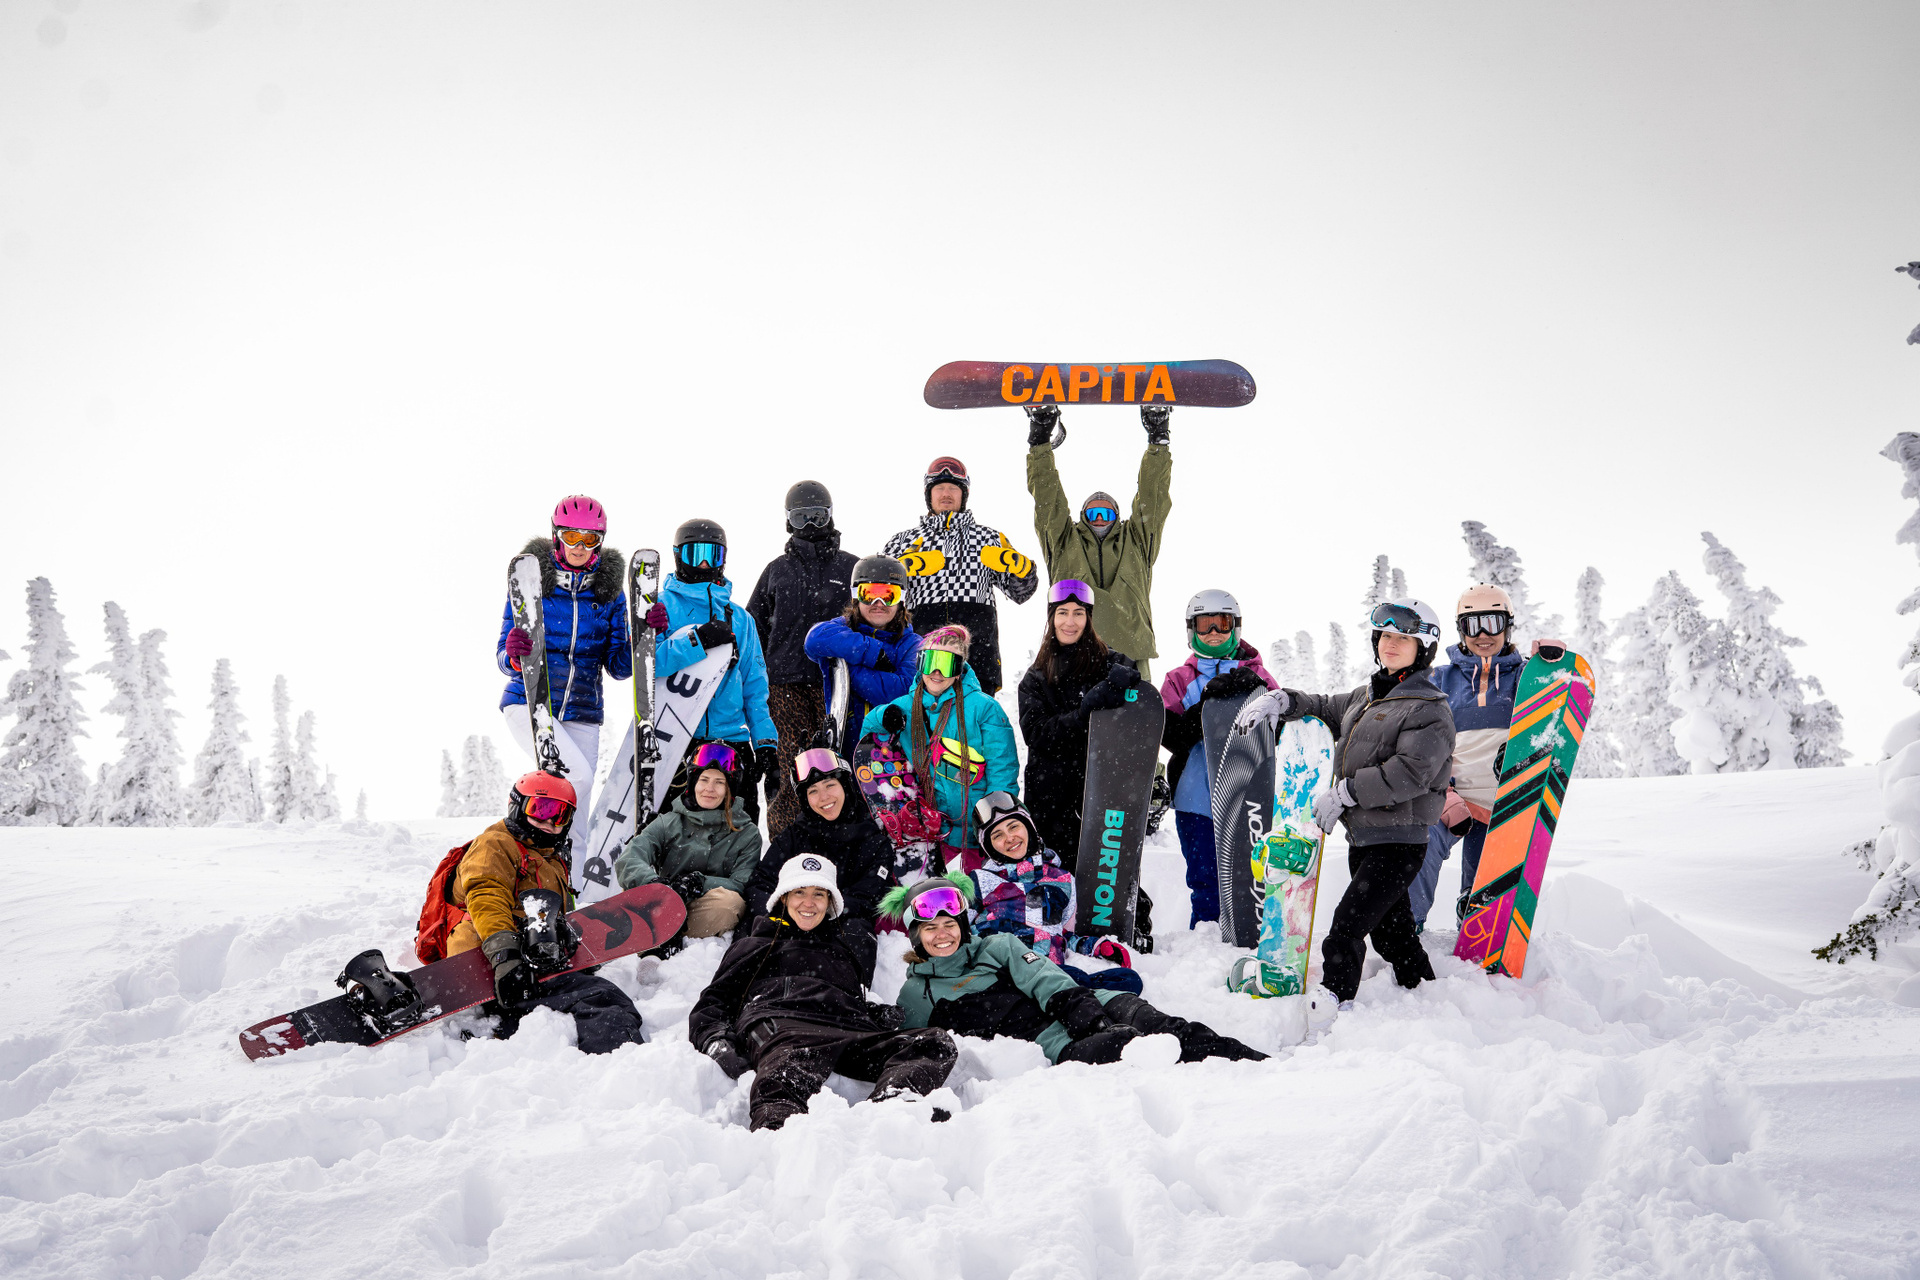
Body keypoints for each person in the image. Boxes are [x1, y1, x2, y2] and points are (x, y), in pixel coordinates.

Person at [1235, 599, 1456, 1009]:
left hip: (1399, 843)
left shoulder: (1430, 710)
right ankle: (1425, 993)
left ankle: (1333, 1003)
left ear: (1423, 649)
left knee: (1346, 928)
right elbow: (1324, 708)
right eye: (1385, 636)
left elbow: (1411, 772)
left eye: (1402, 639)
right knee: (1392, 933)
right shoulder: (1366, 695)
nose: (1390, 644)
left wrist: (1346, 793)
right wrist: (1283, 700)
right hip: (1365, 838)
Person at [688, 855, 957, 1131]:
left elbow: (845, 998)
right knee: (782, 1080)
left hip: (847, 1030)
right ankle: (779, 1140)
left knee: (935, 1043)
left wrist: (874, 1013)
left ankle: (892, 1106)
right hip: (786, 1029)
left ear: (830, 902)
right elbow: (712, 1004)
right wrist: (714, 1040)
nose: (809, 902)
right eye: (799, 892)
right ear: (783, 898)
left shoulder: (841, 950)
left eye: (819, 894)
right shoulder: (755, 944)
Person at [886, 875, 1267, 1065]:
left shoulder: (996, 946)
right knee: (1132, 1046)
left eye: (949, 924)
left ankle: (1257, 1067)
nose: (942, 934)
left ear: (962, 926)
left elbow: (1045, 978)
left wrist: (1088, 1016)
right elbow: (906, 1045)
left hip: (1089, 1002)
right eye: (930, 929)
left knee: (1169, 1028)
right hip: (1056, 1044)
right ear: (916, 937)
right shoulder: (918, 994)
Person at [447, 772, 646, 1054]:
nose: (550, 822)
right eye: (541, 809)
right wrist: (505, 957)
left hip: (527, 960)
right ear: (517, 806)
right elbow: (486, 896)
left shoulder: (547, 852)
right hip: (498, 964)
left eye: (560, 814)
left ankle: (511, 1027)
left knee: (601, 995)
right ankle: (617, 1062)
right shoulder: (495, 844)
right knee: (603, 998)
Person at [1411, 585, 1565, 930]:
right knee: (1418, 844)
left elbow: (1556, 699)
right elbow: (1419, 741)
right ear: (1460, 630)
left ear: (1507, 626)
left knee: (1482, 892)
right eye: (1472, 624)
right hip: (1449, 798)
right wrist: (1444, 792)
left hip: (1505, 802)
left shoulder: (1524, 676)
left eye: (1492, 622)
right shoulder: (1439, 679)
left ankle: (1476, 918)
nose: (1483, 634)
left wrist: (1550, 666)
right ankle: (1406, 926)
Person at [496, 495, 630, 882]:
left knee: (578, 814)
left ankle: (571, 889)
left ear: (600, 543)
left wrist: (644, 636)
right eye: (572, 536)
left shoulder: (609, 594)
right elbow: (503, 658)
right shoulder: (530, 582)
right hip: (529, 703)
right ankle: (520, 859)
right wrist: (513, 653)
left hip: (583, 711)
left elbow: (619, 667)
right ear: (557, 536)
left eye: (590, 540)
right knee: (576, 781)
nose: (579, 547)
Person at [1024, 404, 1173, 681]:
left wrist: (1158, 440)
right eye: (1093, 514)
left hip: (1130, 653)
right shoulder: (1063, 542)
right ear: (1083, 518)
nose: (1101, 519)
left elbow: (1153, 497)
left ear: (1118, 518)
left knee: (1135, 713)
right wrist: (1040, 442)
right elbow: (1048, 500)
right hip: (1074, 653)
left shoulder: (1137, 542)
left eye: (1107, 513)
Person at [746, 481, 862, 836]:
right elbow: (753, 629)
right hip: (785, 685)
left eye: (817, 516)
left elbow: (873, 620)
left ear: (830, 517)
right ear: (788, 521)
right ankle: (788, 843)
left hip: (840, 684)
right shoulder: (776, 571)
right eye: (801, 518)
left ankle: (846, 839)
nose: (810, 525)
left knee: (840, 764)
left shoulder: (852, 568)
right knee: (789, 767)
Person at [645, 518, 780, 822]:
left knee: (738, 828)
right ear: (679, 556)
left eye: (713, 554)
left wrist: (765, 744)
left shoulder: (741, 619)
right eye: (695, 554)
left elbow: (754, 688)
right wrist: (697, 641)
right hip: (676, 738)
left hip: (730, 739)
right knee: (672, 829)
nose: (705, 563)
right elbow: (649, 666)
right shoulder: (660, 608)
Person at [1158, 590, 1278, 929]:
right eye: (1204, 624)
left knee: (1250, 879)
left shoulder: (1259, 675)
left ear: (1235, 627)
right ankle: (1206, 943)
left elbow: (1278, 731)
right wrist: (1207, 707)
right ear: (1191, 629)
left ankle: (1250, 936)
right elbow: (1170, 736)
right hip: (1195, 799)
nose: (1213, 632)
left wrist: (1256, 693)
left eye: (1222, 624)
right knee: (1205, 881)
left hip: (1248, 799)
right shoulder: (1179, 679)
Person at [859, 624, 1019, 872]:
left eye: (947, 664)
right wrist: (884, 716)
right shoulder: (906, 706)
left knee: (971, 892)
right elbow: (869, 730)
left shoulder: (984, 708)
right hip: (924, 830)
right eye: (930, 661)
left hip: (972, 834)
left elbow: (1002, 770)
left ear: (960, 669)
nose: (936, 672)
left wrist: (993, 823)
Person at [881, 457, 1038, 695]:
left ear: (964, 494)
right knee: (919, 718)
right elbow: (878, 597)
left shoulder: (988, 538)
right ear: (928, 494)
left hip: (976, 657)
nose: (946, 494)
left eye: (953, 488)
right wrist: (896, 570)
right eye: (939, 488)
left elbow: (1020, 593)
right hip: (920, 656)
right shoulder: (903, 541)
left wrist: (1023, 571)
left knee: (974, 718)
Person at [967, 791, 1142, 994]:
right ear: (989, 846)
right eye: (997, 835)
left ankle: (1073, 999)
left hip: (1048, 973)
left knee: (1129, 980)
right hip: (1001, 972)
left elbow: (1061, 934)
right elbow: (961, 933)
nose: (1009, 838)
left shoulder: (1061, 880)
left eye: (1014, 826)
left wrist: (1094, 946)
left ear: (1029, 827)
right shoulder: (979, 881)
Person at [742, 746, 898, 940]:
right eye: (813, 791)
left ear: (845, 786)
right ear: (805, 799)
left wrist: (818, 916)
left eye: (830, 785)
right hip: (788, 926)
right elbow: (760, 885)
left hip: (839, 933)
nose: (824, 797)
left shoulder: (873, 841)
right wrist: (790, 915)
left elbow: (870, 898)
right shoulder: (794, 837)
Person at [614, 742, 762, 942]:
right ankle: (649, 927)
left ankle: (660, 931)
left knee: (731, 904)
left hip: (704, 908)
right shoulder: (668, 822)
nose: (709, 789)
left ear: (729, 788)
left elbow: (741, 882)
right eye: (704, 780)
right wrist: (654, 884)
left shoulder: (747, 833)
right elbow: (631, 857)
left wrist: (698, 882)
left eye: (719, 782)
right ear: (693, 783)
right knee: (633, 885)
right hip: (661, 902)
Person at [802, 554, 921, 759]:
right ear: (856, 597)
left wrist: (849, 669)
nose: (878, 603)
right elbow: (814, 639)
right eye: (869, 594)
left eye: (889, 595)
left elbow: (901, 692)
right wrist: (871, 652)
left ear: (901, 600)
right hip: (844, 747)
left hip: (894, 756)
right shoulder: (842, 628)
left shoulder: (913, 644)